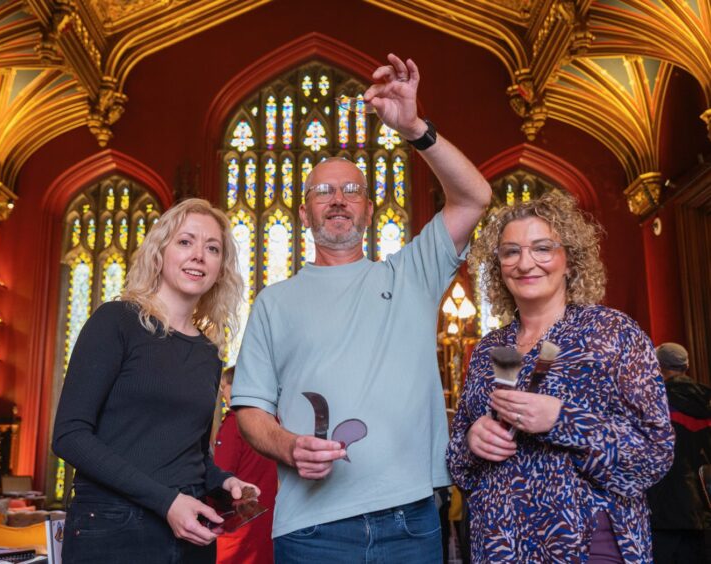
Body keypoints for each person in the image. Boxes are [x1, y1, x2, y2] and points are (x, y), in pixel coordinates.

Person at [230, 53, 492, 562]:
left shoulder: (410, 274)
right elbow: (250, 409)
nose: (338, 200)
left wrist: (414, 127)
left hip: (409, 520)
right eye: (323, 192)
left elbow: (474, 197)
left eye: (352, 190)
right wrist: (288, 446)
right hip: (310, 530)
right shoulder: (273, 302)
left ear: (369, 211)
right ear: (305, 212)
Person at [446, 190, 675, 563]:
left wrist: (562, 420)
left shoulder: (611, 334)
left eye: (542, 248)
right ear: (498, 267)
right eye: (511, 252)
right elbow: (460, 467)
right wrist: (472, 440)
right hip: (500, 544)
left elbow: (655, 454)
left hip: (589, 541)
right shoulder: (493, 349)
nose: (525, 263)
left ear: (570, 261)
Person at [52, 198, 259, 564]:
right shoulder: (116, 322)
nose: (199, 255)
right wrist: (166, 502)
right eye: (185, 242)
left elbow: (190, 453)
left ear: (220, 268)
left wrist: (224, 482)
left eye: (212, 248)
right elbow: (69, 436)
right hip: (113, 526)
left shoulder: (208, 354)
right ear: (159, 252)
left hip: (190, 529)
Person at [648, 342, 711, 564]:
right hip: (698, 508)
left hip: (660, 505)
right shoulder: (706, 401)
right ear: (687, 365)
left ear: (658, 366)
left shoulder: (655, 402)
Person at [213, 367, 277, 564]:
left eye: (224, 387)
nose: (223, 393)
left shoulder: (233, 424)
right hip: (266, 514)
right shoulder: (271, 421)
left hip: (238, 520)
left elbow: (220, 472)